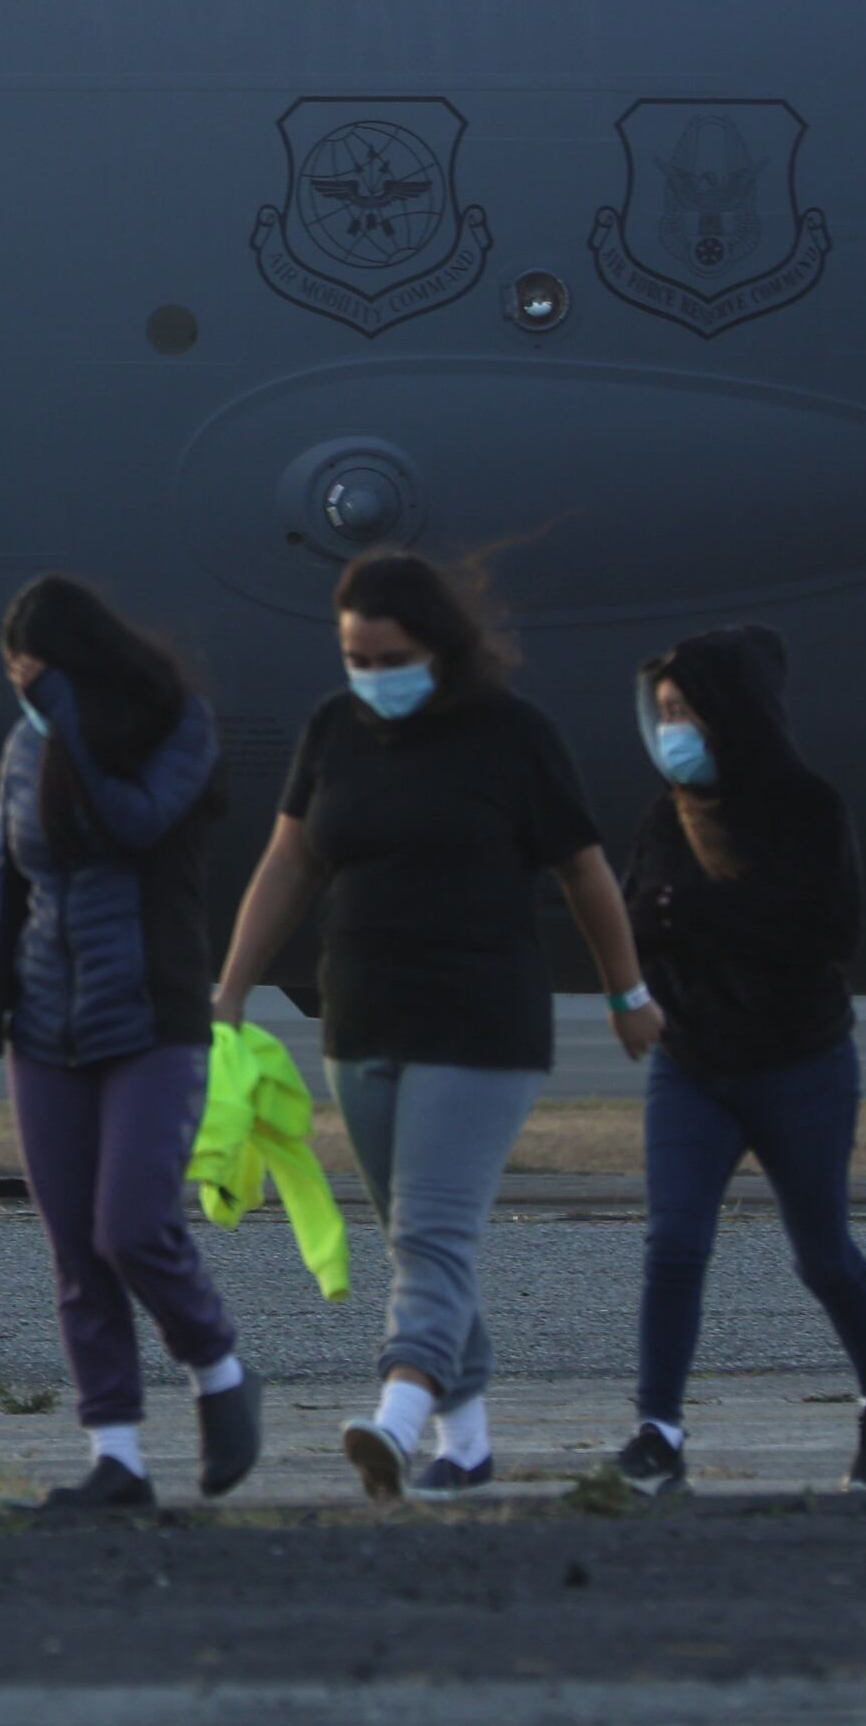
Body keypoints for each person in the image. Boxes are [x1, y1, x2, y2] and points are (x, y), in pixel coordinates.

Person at [211, 550, 660, 1505]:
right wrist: (230, 987)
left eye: (391, 656)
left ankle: (398, 1420)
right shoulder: (334, 729)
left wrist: (628, 994)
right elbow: (290, 862)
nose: (373, 676)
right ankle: (469, 1441)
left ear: (441, 646)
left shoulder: (512, 736)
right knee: (416, 1239)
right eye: (356, 657)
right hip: (362, 1021)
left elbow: (584, 872)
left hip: (482, 1025)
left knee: (432, 1233)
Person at [0, 575, 261, 1511]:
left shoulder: (177, 725)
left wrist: (70, 725)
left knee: (132, 1225)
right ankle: (117, 1452)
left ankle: (218, 1369)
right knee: (75, 1252)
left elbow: (134, 821)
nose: (27, 692)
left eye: (34, 674)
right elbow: (7, 881)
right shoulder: (24, 745)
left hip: (150, 1015)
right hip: (44, 1028)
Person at [615, 626, 866, 1495]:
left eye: (687, 711)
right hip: (693, 1066)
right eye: (663, 711)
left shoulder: (808, 809)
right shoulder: (662, 816)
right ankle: (658, 1432)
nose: (671, 728)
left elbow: (830, 934)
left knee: (821, 1254)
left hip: (800, 1066)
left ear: (732, 714)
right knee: (674, 1241)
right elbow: (641, 918)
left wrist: (703, 914)